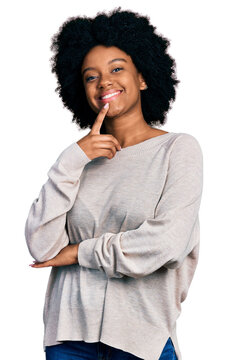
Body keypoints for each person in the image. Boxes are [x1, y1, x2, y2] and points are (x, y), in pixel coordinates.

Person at [24, 7, 203, 360]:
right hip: (68, 340)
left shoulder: (177, 149)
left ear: (143, 78)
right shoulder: (78, 161)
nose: (104, 81)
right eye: (92, 77)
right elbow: (41, 247)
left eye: (117, 69)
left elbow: (165, 244)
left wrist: (79, 252)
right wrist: (71, 159)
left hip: (140, 341)